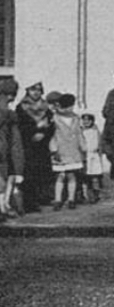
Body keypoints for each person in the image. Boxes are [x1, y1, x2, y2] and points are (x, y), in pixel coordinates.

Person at [16, 81, 55, 212]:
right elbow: (21, 126)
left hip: (43, 145)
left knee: (42, 172)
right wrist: (35, 131)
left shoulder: (46, 107)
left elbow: (52, 125)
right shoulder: (22, 107)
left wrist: (44, 133)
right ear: (28, 91)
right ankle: (30, 203)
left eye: (39, 89)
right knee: (30, 173)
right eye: (33, 89)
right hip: (28, 144)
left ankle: (42, 198)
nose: (36, 92)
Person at [49, 92, 86, 210]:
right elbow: (52, 136)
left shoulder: (75, 118)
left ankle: (71, 199)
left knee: (71, 175)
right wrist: (54, 150)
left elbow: (79, 133)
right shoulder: (55, 118)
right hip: (60, 150)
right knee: (60, 176)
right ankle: (58, 199)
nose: (70, 108)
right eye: (67, 106)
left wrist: (83, 146)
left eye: (71, 106)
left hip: (73, 150)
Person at [0, 78, 24, 219]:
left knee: (5, 179)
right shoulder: (9, 114)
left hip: (4, 152)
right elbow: (16, 143)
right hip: (4, 151)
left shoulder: (10, 114)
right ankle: (3, 207)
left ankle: (3, 207)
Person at [79, 112, 104, 204]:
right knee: (85, 177)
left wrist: (99, 153)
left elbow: (99, 143)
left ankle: (96, 194)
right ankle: (86, 195)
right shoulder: (80, 131)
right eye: (84, 120)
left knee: (95, 176)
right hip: (85, 156)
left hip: (94, 156)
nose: (86, 122)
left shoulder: (95, 131)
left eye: (88, 120)